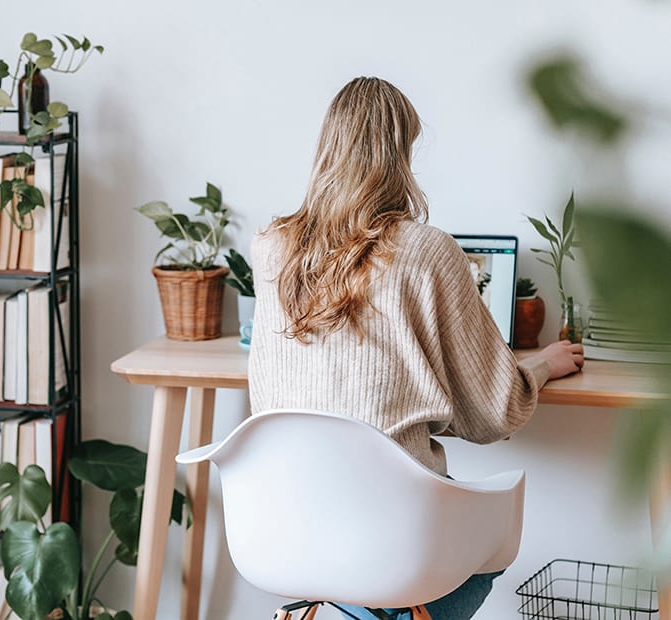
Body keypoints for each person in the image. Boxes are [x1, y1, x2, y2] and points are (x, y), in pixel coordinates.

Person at [247, 76, 584, 620]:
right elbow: (495, 413)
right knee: (496, 537)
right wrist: (540, 365)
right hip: (393, 539)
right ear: (400, 153)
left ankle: (348, 609)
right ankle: (388, 613)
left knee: (364, 538)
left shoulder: (270, 250)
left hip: (291, 523)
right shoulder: (427, 251)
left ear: (326, 148)